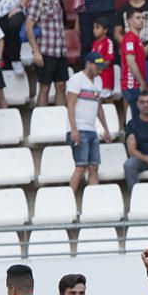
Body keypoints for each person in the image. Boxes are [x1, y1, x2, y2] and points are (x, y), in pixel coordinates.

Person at [66, 52, 112, 192]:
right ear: (88, 64)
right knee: (80, 167)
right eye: (97, 67)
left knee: (94, 167)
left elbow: (99, 107)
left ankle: (95, 201)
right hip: (79, 128)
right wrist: (73, 129)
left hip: (92, 129)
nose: (100, 70)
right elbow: (70, 106)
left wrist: (106, 128)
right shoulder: (76, 79)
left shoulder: (98, 81)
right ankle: (69, 202)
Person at [25, 0, 68, 107]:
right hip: (45, 50)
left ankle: (60, 120)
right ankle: (40, 121)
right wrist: (35, 51)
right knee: (44, 88)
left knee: (61, 85)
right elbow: (29, 26)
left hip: (60, 49)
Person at [119, 8, 148, 115]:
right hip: (132, 84)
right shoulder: (130, 38)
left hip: (135, 84)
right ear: (129, 21)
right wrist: (142, 82)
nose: (141, 20)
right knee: (137, 118)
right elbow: (131, 61)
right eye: (137, 18)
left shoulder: (136, 38)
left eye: (143, 18)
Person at [91, 17, 116, 99]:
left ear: (105, 30)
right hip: (96, 78)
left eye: (97, 28)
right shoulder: (94, 43)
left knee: (108, 101)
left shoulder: (108, 42)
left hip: (106, 79)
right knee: (96, 103)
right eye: (94, 28)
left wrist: (97, 66)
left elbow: (108, 61)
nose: (94, 30)